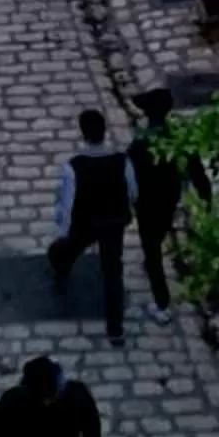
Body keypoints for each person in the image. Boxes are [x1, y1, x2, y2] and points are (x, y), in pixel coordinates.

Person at [126, 87, 213, 324]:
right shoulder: (179, 140)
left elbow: (127, 176)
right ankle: (153, 268)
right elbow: (197, 172)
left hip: (146, 203)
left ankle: (161, 303)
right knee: (160, 233)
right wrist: (206, 198)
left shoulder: (139, 144)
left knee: (152, 251)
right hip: (170, 197)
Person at [48, 108, 134, 342]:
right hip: (113, 224)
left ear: (83, 134)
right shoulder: (121, 161)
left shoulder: (74, 167)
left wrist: (63, 232)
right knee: (112, 273)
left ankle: (61, 274)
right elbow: (132, 191)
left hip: (85, 224)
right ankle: (115, 329)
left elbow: (67, 203)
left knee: (66, 251)